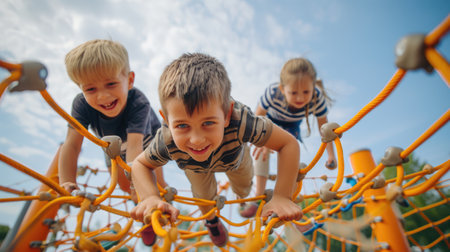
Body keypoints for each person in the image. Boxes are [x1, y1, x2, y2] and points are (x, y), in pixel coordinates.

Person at [130, 53, 303, 247]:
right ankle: (211, 221)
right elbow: (140, 164)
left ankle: (242, 198)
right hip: (194, 165)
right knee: (203, 196)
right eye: (182, 126)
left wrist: (281, 195)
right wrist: (150, 197)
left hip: (234, 158)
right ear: (167, 120)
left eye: (208, 123)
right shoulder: (166, 139)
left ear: (227, 114)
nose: (196, 139)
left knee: (244, 186)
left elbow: (288, 144)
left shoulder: (242, 122)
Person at [58, 39, 167, 246]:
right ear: (80, 88)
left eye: (111, 84)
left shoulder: (138, 102)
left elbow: (136, 147)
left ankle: (152, 212)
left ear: (130, 80)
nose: (103, 95)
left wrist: (140, 185)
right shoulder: (81, 105)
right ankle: (139, 201)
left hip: (145, 140)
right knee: (123, 185)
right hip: (112, 144)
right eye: (90, 89)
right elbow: (72, 145)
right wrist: (67, 182)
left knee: (153, 184)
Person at [239, 57, 337, 221]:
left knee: (290, 156)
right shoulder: (273, 92)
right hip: (268, 122)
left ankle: (287, 199)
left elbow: (325, 130)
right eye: (294, 92)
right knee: (262, 152)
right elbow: (257, 117)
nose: (300, 98)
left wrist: (331, 155)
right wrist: (259, 140)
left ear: (313, 87)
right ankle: (258, 198)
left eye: (306, 92)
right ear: (283, 89)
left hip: (292, 128)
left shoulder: (317, 98)